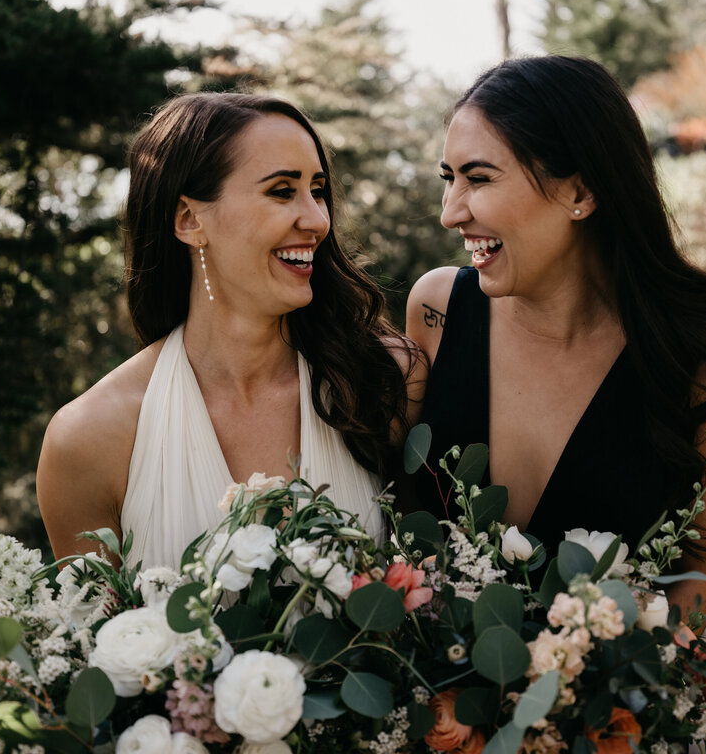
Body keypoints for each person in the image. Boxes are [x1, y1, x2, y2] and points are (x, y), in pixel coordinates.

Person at [405, 56, 706, 621]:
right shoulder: (436, 310)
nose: (450, 212)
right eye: (448, 179)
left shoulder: (703, 355)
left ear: (580, 189)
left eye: (478, 178)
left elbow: (693, 581)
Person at [38, 92, 424, 568]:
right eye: (282, 191)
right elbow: (84, 636)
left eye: (317, 191)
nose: (318, 220)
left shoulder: (384, 379)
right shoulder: (90, 437)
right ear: (189, 219)